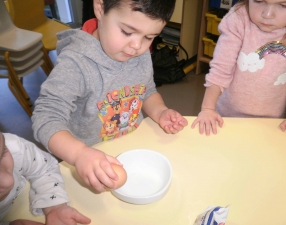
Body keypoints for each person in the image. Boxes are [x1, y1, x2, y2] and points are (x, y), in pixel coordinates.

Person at [32, 0, 188, 193]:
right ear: (100, 8)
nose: (137, 46)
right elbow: (46, 118)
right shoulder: (75, 64)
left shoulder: (139, 52)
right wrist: (79, 154)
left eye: (149, 37)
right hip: (90, 162)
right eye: (127, 32)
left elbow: (146, 90)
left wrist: (161, 111)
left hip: (133, 148)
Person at [191, 0, 286, 145]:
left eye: (284, 6)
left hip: (271, 118)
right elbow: (221, 68)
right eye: (259, 1)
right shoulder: (238, 19)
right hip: (226, 114)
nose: (267, 15)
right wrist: (207, 109)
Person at [0, 132, 91, 225]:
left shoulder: (14, 147)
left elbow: (45, 167)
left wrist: (54, 206)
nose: (9, 181)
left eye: (3, 152)